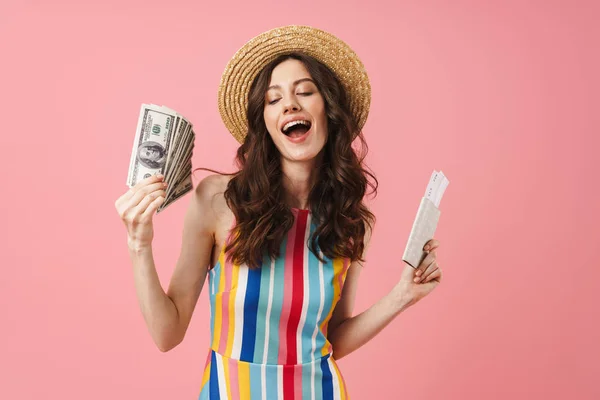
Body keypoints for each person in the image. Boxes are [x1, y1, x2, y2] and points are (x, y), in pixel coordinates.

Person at [115, 25, 443, 400]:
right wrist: (139, 244)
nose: (290, 104)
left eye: (304, 92)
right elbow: (166, 334)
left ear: (329, 111)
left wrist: (402, 295)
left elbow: (333, 338)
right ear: (266, 124)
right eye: (273, 99)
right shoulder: (218, 200)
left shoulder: (348, 220)